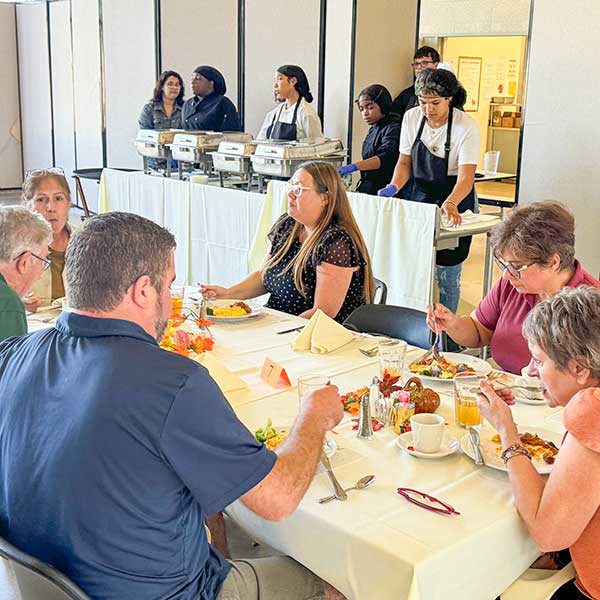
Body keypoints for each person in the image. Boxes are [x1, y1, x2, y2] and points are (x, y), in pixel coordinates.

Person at [0, 211, 346, 600]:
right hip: (160, 593)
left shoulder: (11, 354)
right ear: (143, 291)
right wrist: (313, 416)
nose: (170, 300)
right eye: (168, 286)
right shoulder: (173, 383)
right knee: (344, 581)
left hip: (37, 582)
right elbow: (278, 500)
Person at [476, 285, 600, 600]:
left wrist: (507, 430)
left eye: (538, 361)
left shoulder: (593, 410)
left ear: (580, 368)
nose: (527, 372)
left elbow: (548, 534)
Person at [426, 201, 600, 375]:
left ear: (553, 263)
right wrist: (452, 323)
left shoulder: (591, 304)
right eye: (505, 265)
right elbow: (479, 331)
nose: (507, 275)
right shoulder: (513, 285)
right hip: (509, 391)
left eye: (516, 266)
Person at [202, 161, 374, 323]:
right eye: (290, 186)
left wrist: (276, 331)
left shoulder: (336, 242)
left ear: (325, 198)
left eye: (298, 189)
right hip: (280, 324)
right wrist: (227, 294)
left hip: (312, 336)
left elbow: (323, 312)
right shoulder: (288, 225)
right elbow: (264, 275)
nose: (290, 194)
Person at [379, 68, 480, 313]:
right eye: (423, 102)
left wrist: (452, 203)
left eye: (435, 103)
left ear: (450, 99)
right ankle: (417, 323)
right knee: (416, 266)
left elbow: (466, 177)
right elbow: (404, 163)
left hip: (455, 195)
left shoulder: (466, 126)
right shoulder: (412, 118)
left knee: (448, 270)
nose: (428, 110)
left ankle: (449, 333)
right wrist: (393, 187)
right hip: (421, 195)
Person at [21, 168, 74, 306]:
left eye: (58, 198)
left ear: (68, 204)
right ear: (27, 206)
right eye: (41, 199)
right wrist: (19, 299)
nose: (51, 207)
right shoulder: (14, 245)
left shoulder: (86, 240)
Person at [338, 84, 402, 195]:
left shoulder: (394, 127)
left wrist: (354, 166)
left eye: (370, 107)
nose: (365, 113)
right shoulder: (374, 128)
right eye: (362, 109)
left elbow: (386, 158)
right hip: (368, 186)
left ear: (383, 105)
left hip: (384, 187)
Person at [0, 205, 51, 341]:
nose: (41, 273)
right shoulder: (8, 304)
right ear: (25, 262)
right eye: (43, 260)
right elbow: (10, 362)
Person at [256, 65, 323, 141]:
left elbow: (317, 146)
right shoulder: (273, 114)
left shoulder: (306, 114)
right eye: (275, 80)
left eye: (280, 79)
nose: (275, 85)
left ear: (293, 81)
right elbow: (259, 142)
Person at [138, 70, 185, 171]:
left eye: (177, 85)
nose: (174, 88)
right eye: (170, 84)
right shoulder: (149, 109)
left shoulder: (185, 108)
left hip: (180, 163)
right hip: (155, 164)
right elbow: (145, 136)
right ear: (162, 87)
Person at [181, 65, 241, 132]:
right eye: (192, 79)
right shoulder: (187, 104)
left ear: (211, 83)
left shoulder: (222, 103)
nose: (193, 82)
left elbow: (232, 134)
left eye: (198, 79)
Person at [391, 46, 440, 124]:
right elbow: (393, 119)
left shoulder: (445, 92)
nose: (419, 67)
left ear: (436, 65)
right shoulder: (406, 95)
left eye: (425, 63)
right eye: (416, 64)